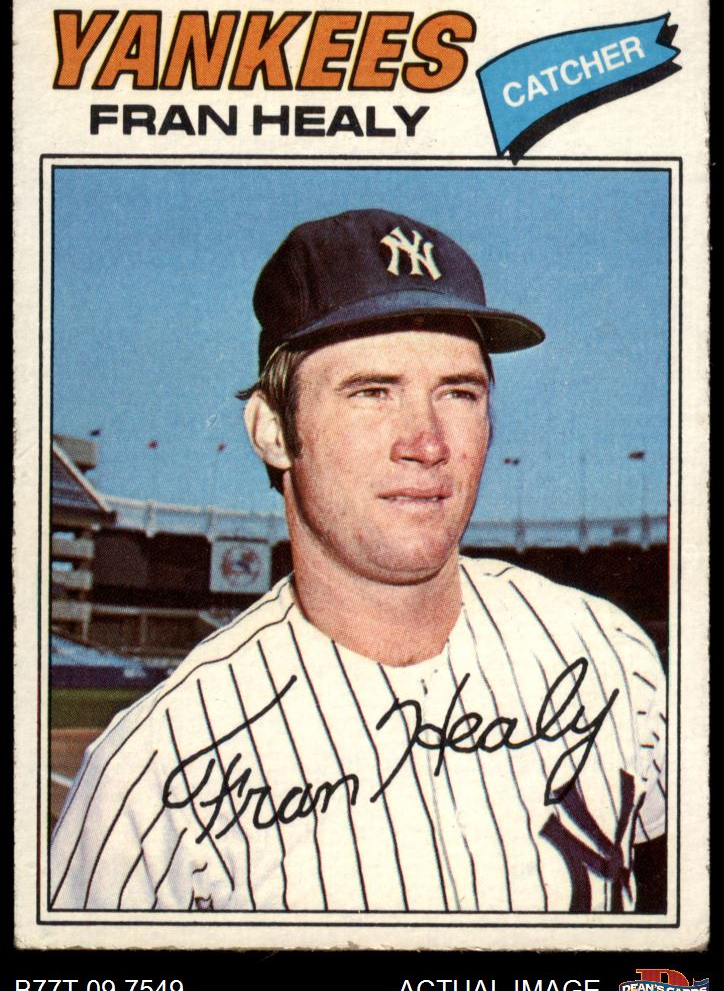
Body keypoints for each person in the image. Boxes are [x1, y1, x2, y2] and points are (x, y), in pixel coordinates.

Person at [50, 208, 666, 914]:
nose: (427, 443)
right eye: (373, 392)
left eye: (458, 393)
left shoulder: (608, 652)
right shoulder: (152, 773)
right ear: (274, 431)